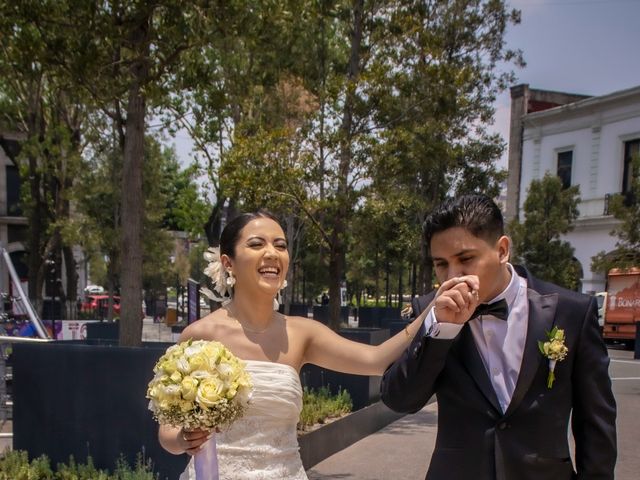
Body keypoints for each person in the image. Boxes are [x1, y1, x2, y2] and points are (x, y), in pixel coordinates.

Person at [158, 210, 477, 479]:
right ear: (228, 263)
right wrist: (185, 438)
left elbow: (376, 360)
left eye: (280, 245)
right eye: (257, 244)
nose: (272, 253)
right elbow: (168, 433)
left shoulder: (303, 333)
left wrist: (432, 312)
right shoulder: (199, 335)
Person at [381, 194, 617, 480]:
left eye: (466, 259)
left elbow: (596, 424)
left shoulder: (571, 311)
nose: (453, 276)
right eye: (441, 264)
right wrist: (441, 330)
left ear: (502, 250)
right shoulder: (430, 310)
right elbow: (400, 400)